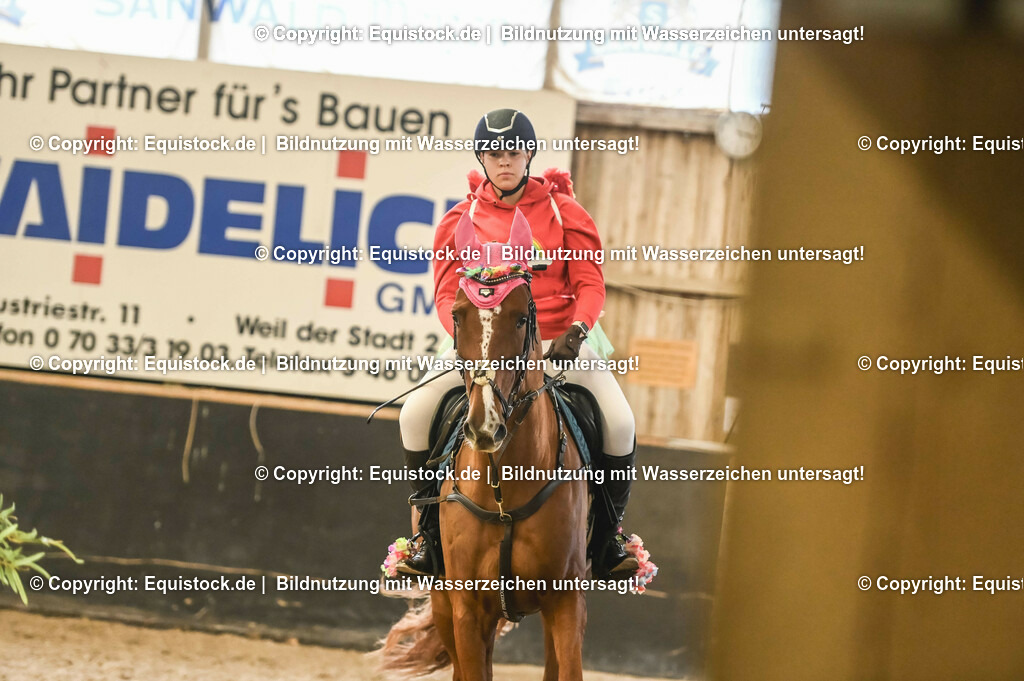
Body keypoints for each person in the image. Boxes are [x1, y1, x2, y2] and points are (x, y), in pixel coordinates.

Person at [396, 108, 638, 580]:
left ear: (528, 153)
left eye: (513, 151)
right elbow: (447, 292)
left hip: (557, 342)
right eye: (493, 152)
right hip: (485, 343)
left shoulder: (565, 214)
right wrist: (468, 340)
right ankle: (426, 536)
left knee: (621, 423)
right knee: (414, 414)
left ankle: (608, 540)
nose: (503, 161)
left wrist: (577, 331)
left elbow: (591, 283)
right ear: (481, 159)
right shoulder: (457, 220)